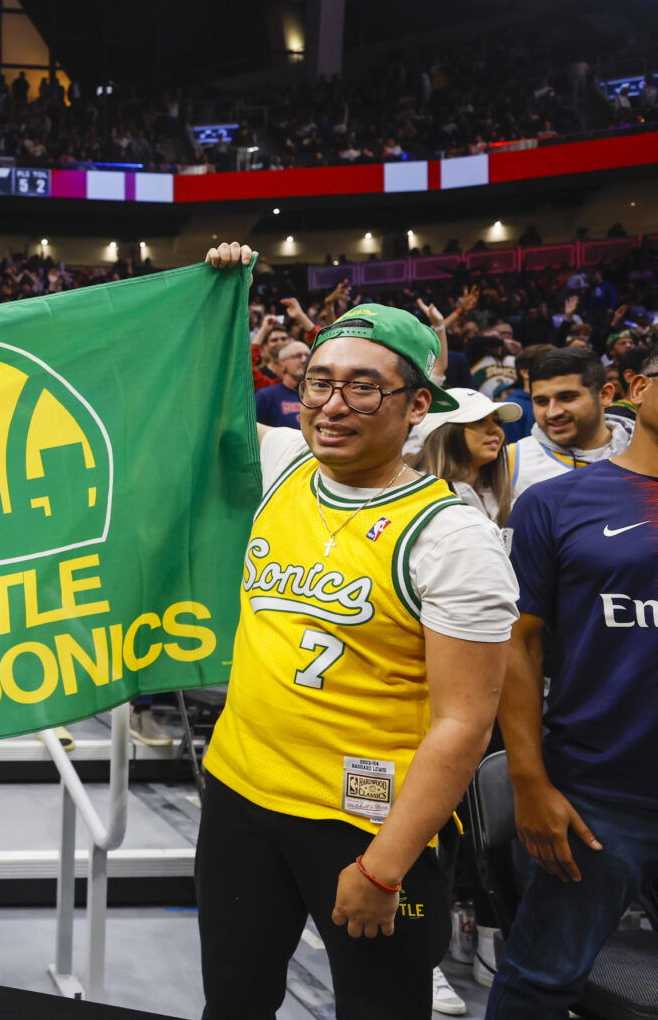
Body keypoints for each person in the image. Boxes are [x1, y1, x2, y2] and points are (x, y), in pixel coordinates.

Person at [197, 244, 519, 1019]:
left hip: (371, 832)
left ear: (417, 407)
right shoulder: (283, 463)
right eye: (320, 382)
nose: (332, 404)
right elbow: (192, 404)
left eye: (364, 389)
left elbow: (465, 724)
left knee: (382, 1009)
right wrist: (215, 300)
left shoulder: (452, 538)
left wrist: (382, 870)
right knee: (233, 1005)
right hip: (241, 801)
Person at [487, 347, 658, 1017]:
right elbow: (517, 642)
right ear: (636, 389)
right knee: (539, 979)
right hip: (595, 794)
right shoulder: (554, 502)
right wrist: (529, 780)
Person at [508, 347, 632, 497]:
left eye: (566, 398)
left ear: (605, 395)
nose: (553, 412)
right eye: (541, 401)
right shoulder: (511, 461)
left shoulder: (646, 451)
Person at [409, 388, 522, 525]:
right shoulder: (414, 497)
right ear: (444, 432)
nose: (496, 430)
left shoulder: (506, 495)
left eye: (498, 422)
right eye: (480, 421)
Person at [255, 340, 309, 429]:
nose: (304, 360)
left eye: (308, 355)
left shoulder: (319, 393)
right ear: (282, 365)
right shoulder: (265, 396)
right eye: (297, 356)